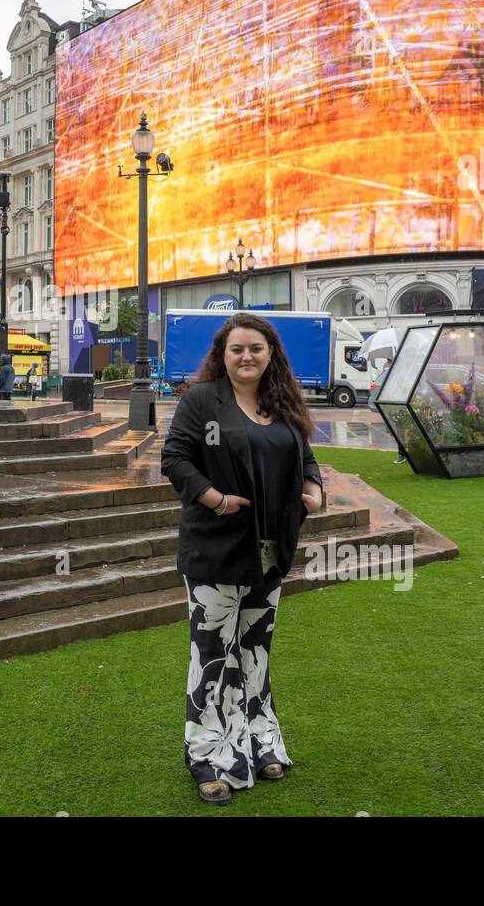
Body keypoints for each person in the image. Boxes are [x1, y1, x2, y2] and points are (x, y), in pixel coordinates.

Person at [159, 312, 324, 806]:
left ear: (271, 352)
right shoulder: (201, 400)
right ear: (223, 354)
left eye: (256, 348)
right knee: (212, 655)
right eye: (237, 349)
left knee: (254, 651)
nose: (246, 356)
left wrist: (314, 490)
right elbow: (175, 458)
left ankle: (258, 740)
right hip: (215, 548)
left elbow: (305, 456)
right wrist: (216, 498)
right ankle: (207, 755)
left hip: (270, 550)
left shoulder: (283, 402)